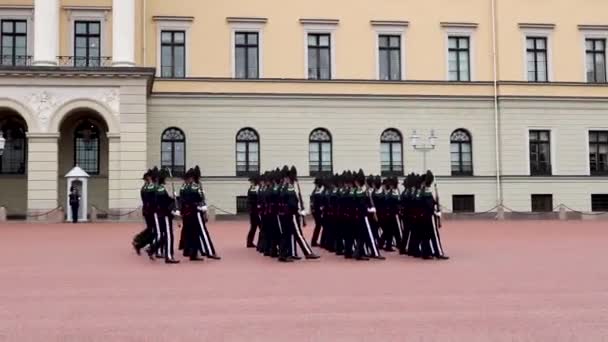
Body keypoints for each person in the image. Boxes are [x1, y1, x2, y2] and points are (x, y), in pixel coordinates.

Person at [147, 168, 180, 264]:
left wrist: (174, 198)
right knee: (169, 235)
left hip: (159, 214)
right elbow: (164, 202)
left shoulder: (155, 187)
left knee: (164, 235)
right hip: (164, 214)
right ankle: (169, 256)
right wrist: (174, 205)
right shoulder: (160, 188)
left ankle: (152, 248)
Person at [246, 175, 261, 248]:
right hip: (254, 211)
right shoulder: (252, 189)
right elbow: (252, 200)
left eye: (252, 181)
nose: (251, 183)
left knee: (256, 227)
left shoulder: (254, 188)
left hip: (255, 211)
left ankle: (251, 242)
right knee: (254, 227)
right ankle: (250, 242)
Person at [309, 177, 324, 247]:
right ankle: (314, 241)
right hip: (317, 211)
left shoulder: (314, 191)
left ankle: (314, 241)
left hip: (315, 211)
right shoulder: (317, 191)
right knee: (318, 226)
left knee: (318, 226)